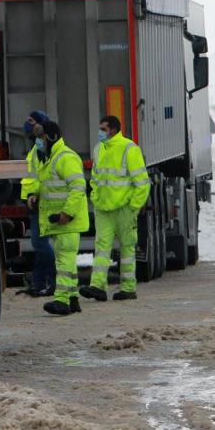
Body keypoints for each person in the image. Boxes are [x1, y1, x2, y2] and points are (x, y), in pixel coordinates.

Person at [82, 115, 150, 303]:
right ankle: (97, 287)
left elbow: (142, 183)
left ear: (113, 129)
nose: (100, 132)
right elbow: (95, 178)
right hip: (103, 208)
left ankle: (128, 288)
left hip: (124, 209)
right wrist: (95, 197)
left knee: (127, 248)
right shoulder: (99, 149)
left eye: (103, 129)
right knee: (101, 249)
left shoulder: (129, 149)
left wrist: (133, 207)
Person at [35, 120, 89, 317]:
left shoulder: (65, 157)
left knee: (64, 262)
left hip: (67, 221)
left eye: (40, 138)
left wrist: (67, 213)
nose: (38, 142)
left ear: (50, 137)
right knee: (66, 261)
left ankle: (61, 300)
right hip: (58, 221)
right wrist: (35, 194)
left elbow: (78, 187)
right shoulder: (52, 158)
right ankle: (73, 298)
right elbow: (49, 186)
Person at [20, 110, 56, 298]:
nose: (27, 124)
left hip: (41, 202)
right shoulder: (35, 148)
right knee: (39, 244)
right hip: (35, 202)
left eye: (31, 121)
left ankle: (51, 280)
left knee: (40, 244)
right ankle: (38, 282)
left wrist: (35, 195)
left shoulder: (41, 149)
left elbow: (41, 176)